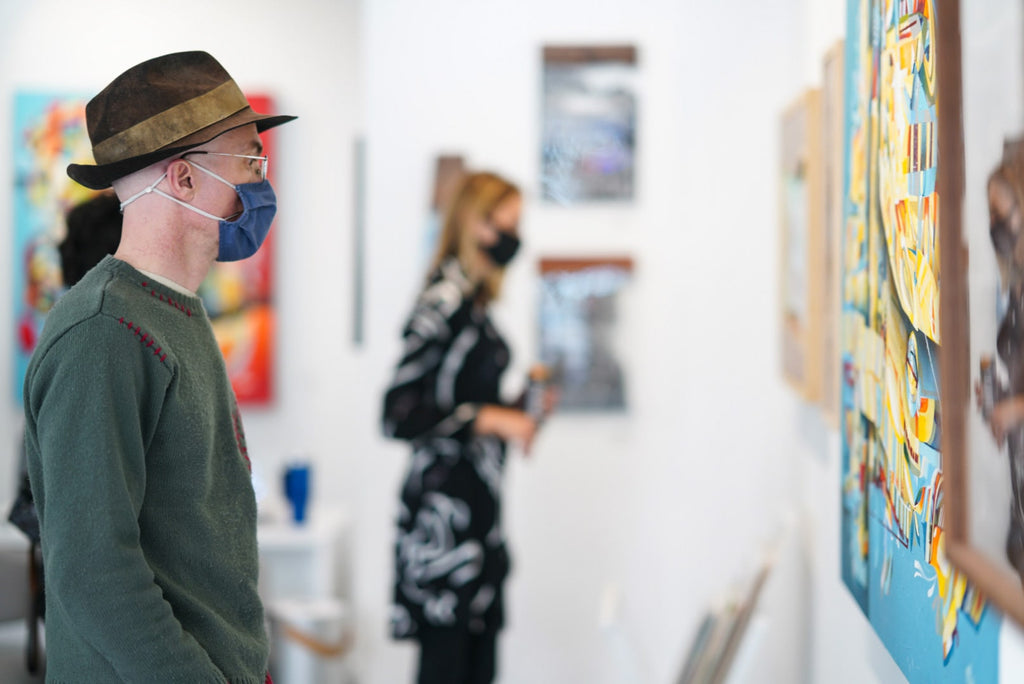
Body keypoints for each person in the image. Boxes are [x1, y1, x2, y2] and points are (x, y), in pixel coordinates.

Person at [22, 51, 295, 682]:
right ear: (185, 179)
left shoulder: (172, 313)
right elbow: (95, 573)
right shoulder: (103, 334)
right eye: (249, 159)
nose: (259, 179)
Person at [383, 171, 554, 684]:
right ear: (478, 224)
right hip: (444, 532)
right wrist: (488, 416)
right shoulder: (444, 301)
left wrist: (518, 408)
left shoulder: (474, 301)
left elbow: (459, 402)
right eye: (509, 224)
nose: (515, 238)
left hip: (478, 523)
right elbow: (398, 411)